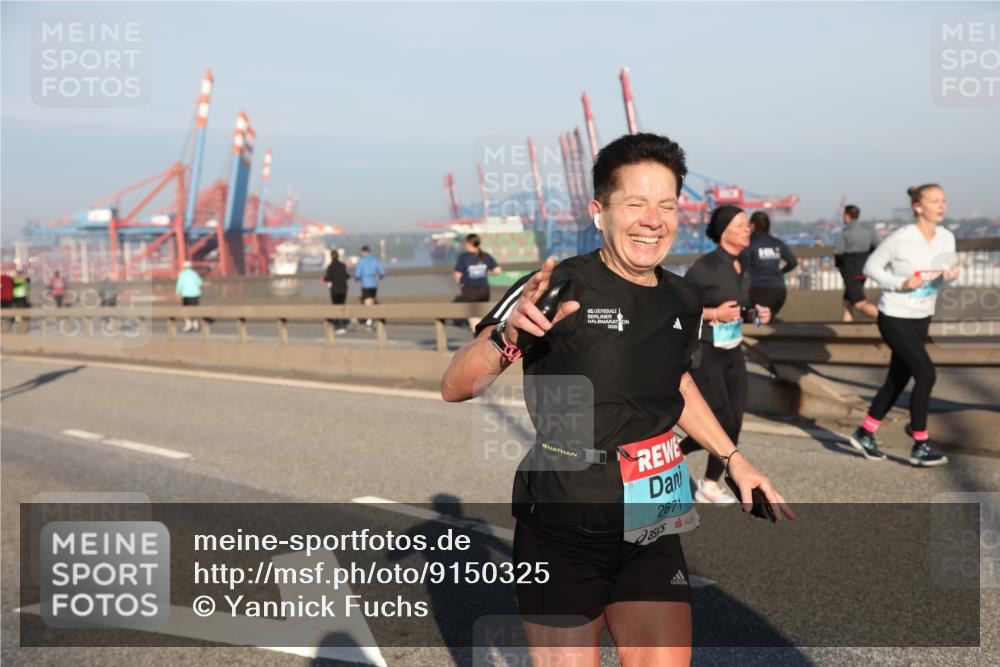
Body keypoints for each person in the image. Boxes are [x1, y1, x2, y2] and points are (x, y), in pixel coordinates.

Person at [441, 133, 793, 666]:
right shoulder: (555, 285)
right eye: (634, 204)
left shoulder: (684, 297)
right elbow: (456, 385)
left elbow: (677, 383)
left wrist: (734, 460)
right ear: (599, 212)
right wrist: (507, 339)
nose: (652, 219)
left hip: (653, 520)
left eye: (667, 205)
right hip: (563, 525)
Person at [849, 184, 958, 467]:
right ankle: (920, 443)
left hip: (922, 317)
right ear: (918, 207)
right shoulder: (901, 238)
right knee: (926, 374)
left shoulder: (946, 238)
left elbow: (943, 275)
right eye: (934, 201)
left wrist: (952, 274)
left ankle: (865, 433)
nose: (941, 205)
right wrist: (901, 283)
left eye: (943, 200)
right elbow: (871, 267)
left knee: (897, 379)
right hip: (894, 316)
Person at [680, 206, 773, 505]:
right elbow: (682, 309)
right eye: (741, 225)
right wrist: (712, 313)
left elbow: (740, 306)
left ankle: (708, 483)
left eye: (748, 225)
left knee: (734, 423)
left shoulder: (742, 264)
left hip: (734, 352)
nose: (748, 229)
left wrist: (756, 312)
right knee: (720, 420)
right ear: (724, 231)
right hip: (707, 353)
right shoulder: (704, 268)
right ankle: (674, 455)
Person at [747, 211, 797, 319]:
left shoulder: (749, 243)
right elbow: (793, 262)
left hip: (755, 291)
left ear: (753, 225)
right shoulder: (777, 243)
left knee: (754, 318)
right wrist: (780, 272)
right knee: (768, 317)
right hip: (778, 291)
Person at [835, 205, 879, 321]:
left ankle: (889, 319)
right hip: (863, 268)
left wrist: (839, 266)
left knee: (860, 304)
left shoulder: (845, 232)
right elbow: (878, 246)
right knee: (847, 303)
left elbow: (839, 253)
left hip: (849, 270)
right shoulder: (868, 230)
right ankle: (846, 333)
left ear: (847, 215)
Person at [453, 233, 502, 332]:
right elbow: (498, 270)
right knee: (483, 314)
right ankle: (486, 334)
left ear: (468, 243)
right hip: (484, 290)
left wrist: (459, 283)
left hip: (469, 290)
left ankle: (478, 336)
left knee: (473, 316)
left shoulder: (464, 257)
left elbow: (457, 275)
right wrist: (486, 273)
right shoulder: (485, 256)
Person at [354, 245, 385, 330]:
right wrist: (380, 276)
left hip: (365, 284)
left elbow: (357, 275)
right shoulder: (374, 260)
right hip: (374, 284)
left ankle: (369, 321)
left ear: (363, 252)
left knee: (367, 303)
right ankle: (371, 320)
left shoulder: (361, 262)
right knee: (371, 301)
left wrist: (357, 279)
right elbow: (382, 272)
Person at [322, 249, 350, 333]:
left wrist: (325, 279)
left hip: (334, 290)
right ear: (338, 256)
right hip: (343, 289)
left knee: (336, 306)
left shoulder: (330, 266)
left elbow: (327, 278)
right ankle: (343, 325)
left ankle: (337, 325)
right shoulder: (342, 265)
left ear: (331, 256)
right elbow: (346, 276)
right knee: (342, 306)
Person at [175, 260, 203, 332]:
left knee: (186, 310)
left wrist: (177, 293)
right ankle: (195, 324)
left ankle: (188, 324)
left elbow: (179, 285)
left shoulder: (182, 274)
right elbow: (200, 283)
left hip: (186, 295)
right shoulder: (194, 274)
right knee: (195, 309)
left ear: (184, 267)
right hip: (195, 294)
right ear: (191, 266)